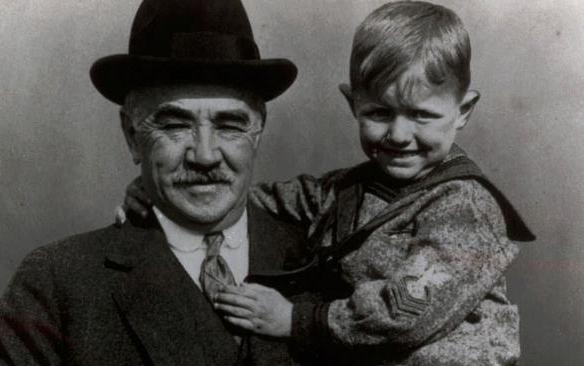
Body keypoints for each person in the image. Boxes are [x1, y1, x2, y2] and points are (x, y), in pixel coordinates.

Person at [120, 2, 535, 365]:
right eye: (379, 113)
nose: (399, 134)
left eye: (422, 115)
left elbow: (408, 313)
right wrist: (166, 194)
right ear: (352, 102)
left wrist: (296, 320)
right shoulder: (345, 190)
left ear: (463, 110)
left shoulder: (464, 208)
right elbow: (253, 198)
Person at [0, 0, 306, 365]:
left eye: (229, 125)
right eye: (174, 125)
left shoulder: (321, 259)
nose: (205, 155)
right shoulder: (56, 284)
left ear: (258, 132)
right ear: (132, 136)